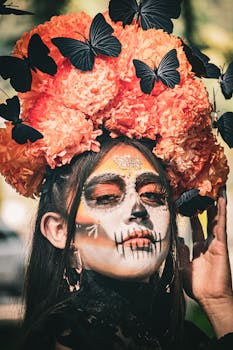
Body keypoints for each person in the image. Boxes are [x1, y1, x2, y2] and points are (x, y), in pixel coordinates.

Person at [0, 1, 232, 349]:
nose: (137, 210)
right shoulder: (66, 339)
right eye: (107, 197)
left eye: (153, 195)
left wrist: (218, 302)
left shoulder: (182, 337)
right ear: (60, 230)